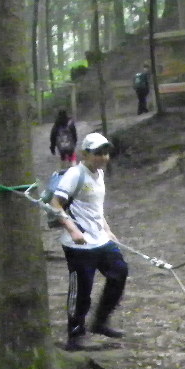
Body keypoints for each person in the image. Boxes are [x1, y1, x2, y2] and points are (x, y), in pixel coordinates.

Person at [51, 132, 128, 348]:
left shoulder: (99, 174)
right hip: (78, 244)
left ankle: (100, 321)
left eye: (106, 153)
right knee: (81, 290)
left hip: (100, 240)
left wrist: (107, 230)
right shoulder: (75, 174)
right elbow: (55, 204)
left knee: (119, 271)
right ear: (85, 154)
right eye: (98, 153)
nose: (103, 157)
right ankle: (75, 334)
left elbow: (95, 207)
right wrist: (73, 230)